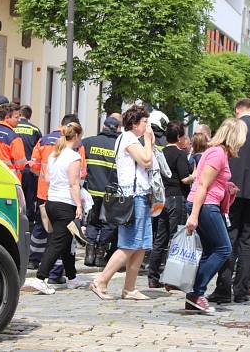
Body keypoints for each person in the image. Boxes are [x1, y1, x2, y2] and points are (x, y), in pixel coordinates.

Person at [208, 98, 250, 304]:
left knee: (229, 238)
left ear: (237, 110)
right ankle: (241, 290)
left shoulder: (231, 128)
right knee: (249, 241)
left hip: (231, 191)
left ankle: (223, 288)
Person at [90, 105, 155, 300]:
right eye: (145, 122)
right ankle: (101, 280)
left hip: (142, 195)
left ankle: (129, 288)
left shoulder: (133, 138)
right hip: (133, 196)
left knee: (142, 244)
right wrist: (149, 141)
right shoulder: (128, 138)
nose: (147, 125)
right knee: (130, 243)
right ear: (135, 124)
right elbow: (146, 160)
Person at [184, 118, 247, 312]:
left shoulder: (216, 152)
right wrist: (194, 216)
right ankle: (196, 292)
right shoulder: (217, 154)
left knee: (211, 251)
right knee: (223, 249)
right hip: (206, 206)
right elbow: (202, 184)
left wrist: (226, 186)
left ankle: (194, 296)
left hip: (207, 204)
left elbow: (208, 181)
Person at [27, 123, 87, 294]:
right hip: (65, 203)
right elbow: (74, 184)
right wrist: (79, 205)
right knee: (57, 242)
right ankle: (40, 278)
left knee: (67, 241)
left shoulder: (54, 154)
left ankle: (72, 277)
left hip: (51, 200)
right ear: (75, 136)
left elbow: (46, 177)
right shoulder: (73, 157)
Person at [148, 121, 194, 288]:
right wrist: (195, 175)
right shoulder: (180, 154)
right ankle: (172, 279)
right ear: (180, 138)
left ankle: (153, 276)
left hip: (162, 199)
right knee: (176, 238)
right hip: (176, 198)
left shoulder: (161, 153)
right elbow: (184, 178)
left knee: (160, 238)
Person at [82, 116, 121, 267]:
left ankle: (89, 255)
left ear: (104, 126)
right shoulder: (119, 145)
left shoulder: (88, 142)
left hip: (92, 191)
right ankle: (100, 255)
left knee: (92, 222)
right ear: (117, 128)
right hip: (111, 193)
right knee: (108, 224)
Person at [14, 105, 43, 224]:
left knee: (16, 197)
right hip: (30, 170)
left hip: (15, 170)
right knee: (29, 198)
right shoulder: (35, 130)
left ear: (19, 114)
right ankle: (28, 224)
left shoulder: (13, 127)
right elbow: (40, 148)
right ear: (29, 116)